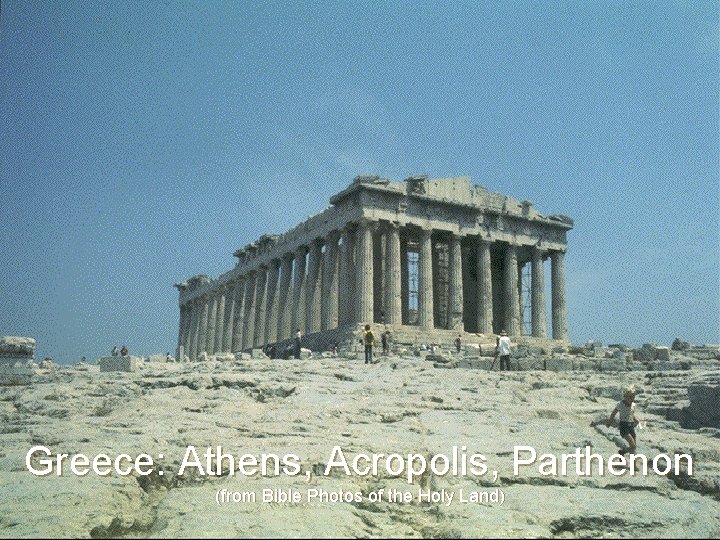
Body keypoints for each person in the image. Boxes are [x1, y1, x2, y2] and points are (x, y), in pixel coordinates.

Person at [606, 385, 643, 455]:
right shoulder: (621, 404)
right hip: (624, 427)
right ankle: (622, 452)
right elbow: (613, 413)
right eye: (629, 397)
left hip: (631, 426)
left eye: (633, 397)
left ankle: (632, 463)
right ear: (625, 396)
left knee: (633, 448)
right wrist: (609, 422)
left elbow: (631, 414)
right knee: (633, 446)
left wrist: (636, 420)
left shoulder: (633, 405)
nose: (631, 399)